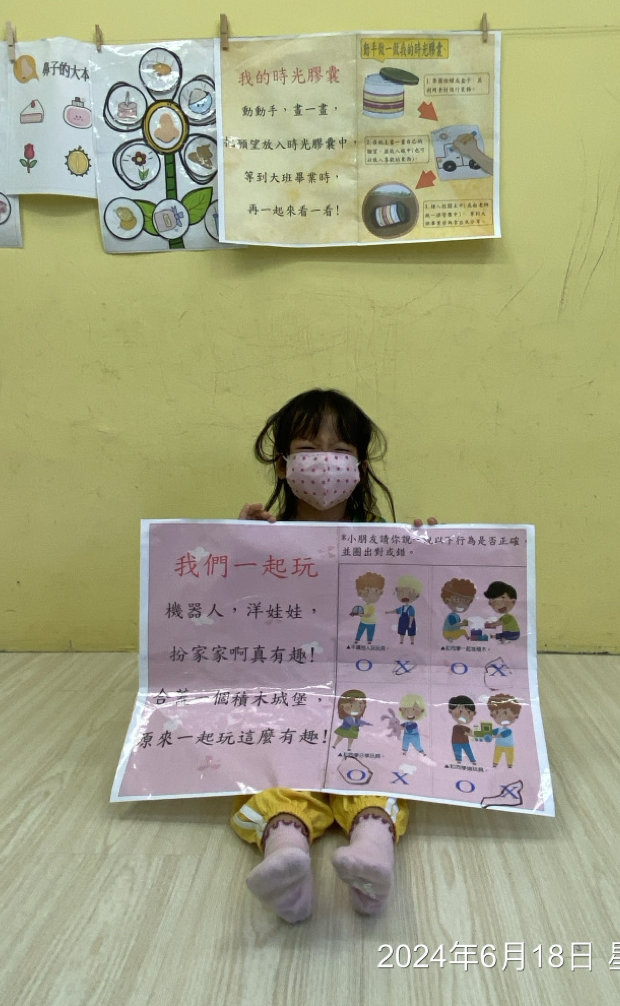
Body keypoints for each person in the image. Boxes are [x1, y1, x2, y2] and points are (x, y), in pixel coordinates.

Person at [232, 388, 436, 922]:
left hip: (365, 696)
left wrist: (433, 553)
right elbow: (230, 619)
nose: (324, 462)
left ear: (361, 468)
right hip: (286, 698)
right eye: (307, 448)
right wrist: (237, 548)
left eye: (340, 450)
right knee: (268, 768)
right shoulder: (264, 540)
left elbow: (421, 622)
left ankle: (372, 848)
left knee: (380, 757)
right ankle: (286, 858)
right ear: (283, 465)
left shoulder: (385, 545)